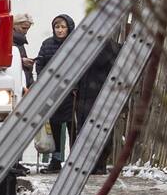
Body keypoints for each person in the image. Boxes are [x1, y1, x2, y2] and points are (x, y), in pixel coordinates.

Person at [35, 14, 77, 173]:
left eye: (63, 27)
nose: (59, 30)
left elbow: (79, 66)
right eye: (57, 27)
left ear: (69, 28)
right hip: (52, 92)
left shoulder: (75, 45)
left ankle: (74, 159)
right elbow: (40, 64)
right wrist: (43, 84)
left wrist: (76, 86)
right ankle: (56, 160)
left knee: (73, 127)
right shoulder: (47, 44)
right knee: (54, 126)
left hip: (71, 92)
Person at [74, 36, 121, 174]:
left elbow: (99, 61)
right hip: (86, 93)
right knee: (86, 129)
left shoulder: (107, 46)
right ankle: (90, 163)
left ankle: (98, 164)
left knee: (99, 130)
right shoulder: (90, 43)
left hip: (100, 93)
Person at [12, 12, 35, 89]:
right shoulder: (12, 40)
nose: (25, 31)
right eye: (23, 28)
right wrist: (22, 61)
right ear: (14, 25)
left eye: (27, 28)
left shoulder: (19, 41)